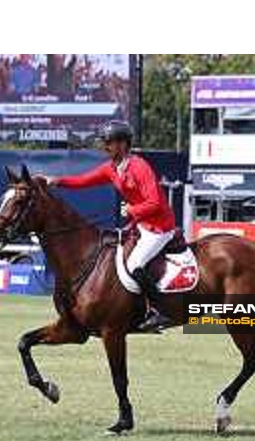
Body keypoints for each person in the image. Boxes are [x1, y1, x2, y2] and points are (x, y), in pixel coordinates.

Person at [46, 120, 177, 331]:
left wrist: (132, 211)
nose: (105, 146)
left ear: (123, 145)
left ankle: (159, 311)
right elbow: (83, 180)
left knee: (135, 265)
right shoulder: (111, 168)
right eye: (105, 142)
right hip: (139, 226)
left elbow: (155, 203)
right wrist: (56, 181)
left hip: (159, 227)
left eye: (109, 142)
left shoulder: (139, 167)